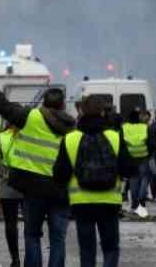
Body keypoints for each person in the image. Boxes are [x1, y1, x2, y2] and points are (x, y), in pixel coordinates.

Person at [0, 77, 75, 267]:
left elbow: (4, 106)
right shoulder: (72, 127)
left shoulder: (30, 116)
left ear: (44, 103)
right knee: (58, 239)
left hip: (33, 189)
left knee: (32, 234)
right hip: (60, 190)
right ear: (63, 105)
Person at [54, 96, 132, 267]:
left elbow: (59, 174)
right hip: (109, 201)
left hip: (81, 203)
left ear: (81, 111)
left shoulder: (70, 139)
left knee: (87, 250)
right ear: (103, 112)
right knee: (111, 248)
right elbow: (129, 169)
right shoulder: (115, 137)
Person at [0, 122, 23, 267]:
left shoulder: (1, 139)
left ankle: (15, 259)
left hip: (9, 183)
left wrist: (0, 172)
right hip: (29, 183)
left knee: (11, 223)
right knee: (32, 225)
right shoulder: (27, 136)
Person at [121, 109, 149, 212]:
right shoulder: (144, 127)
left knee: (133, 180)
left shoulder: (124, 127)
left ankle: (134, 203)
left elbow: (122, 142)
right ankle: (141, 198)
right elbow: (149, 141)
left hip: (130, 157)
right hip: (143, 155)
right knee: (144, 178)